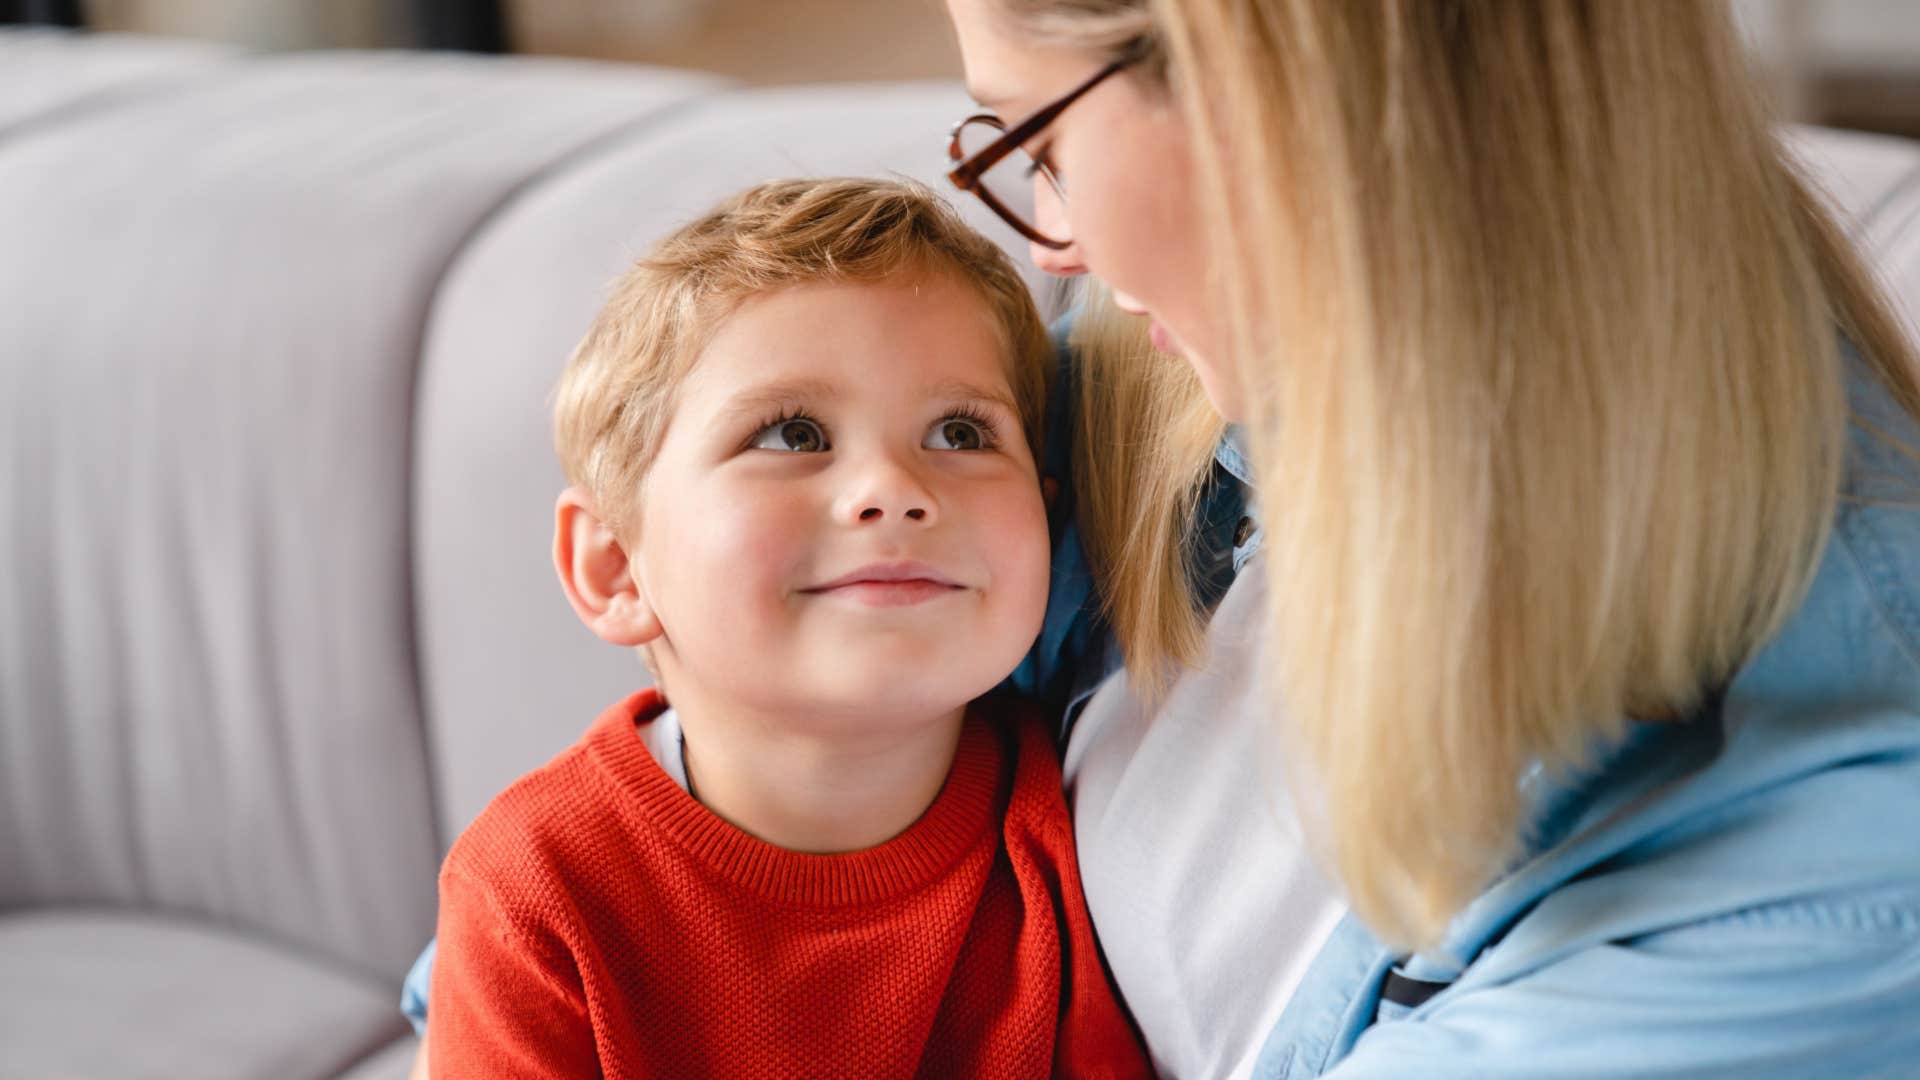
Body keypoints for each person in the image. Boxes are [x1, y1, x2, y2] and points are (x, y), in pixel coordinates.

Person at [412, 0, 1920, 1075]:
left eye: (1041, 143)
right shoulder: (1182, 382)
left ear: (1277, 86)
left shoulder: (1818, 872)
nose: (1050, 246)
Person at [423, 176, 1150, 1077]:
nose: (894, 489)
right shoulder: (535, 894)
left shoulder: (1083, 830)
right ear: (614, 565)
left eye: (961, 433)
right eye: (794, 435)